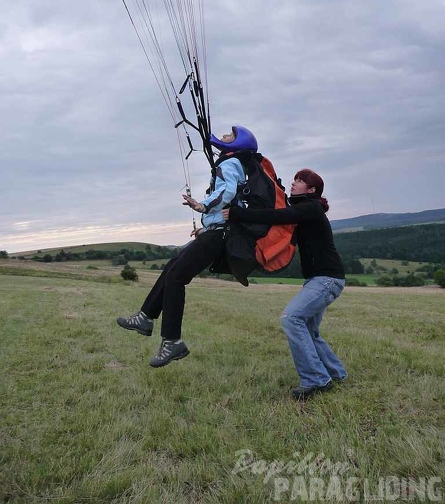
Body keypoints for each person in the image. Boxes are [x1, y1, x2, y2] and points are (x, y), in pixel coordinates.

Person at [116, 126, 258, 368]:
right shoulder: (233, 164)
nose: (224, 135)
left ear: (237, 144)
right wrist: (206, 224)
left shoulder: (229, 163)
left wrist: (201, 206)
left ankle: (172, 341)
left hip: (220, 235)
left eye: (230, 135)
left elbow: (227, 192)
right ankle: (146, 317)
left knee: (176, 277)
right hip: (217, 233)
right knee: (173, 267)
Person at [223, 168, 347, 400]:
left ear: (312, 190)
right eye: (295, 179)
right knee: (309, 329)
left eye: (300, 181)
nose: (294, 183)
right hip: (322, 279)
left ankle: (316, 380)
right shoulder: (304, 210)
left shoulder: (311, 208)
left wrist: (240, 214)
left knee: (291, 318)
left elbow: (275, 216)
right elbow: (275, 222)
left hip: (326, 279)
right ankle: (336, 373)